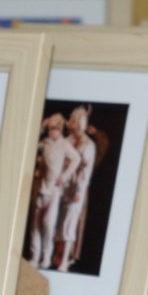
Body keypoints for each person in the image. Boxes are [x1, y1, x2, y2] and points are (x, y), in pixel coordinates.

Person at [28, 112, 81, 270]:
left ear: (60, 129)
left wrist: (64, 176)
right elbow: (30, 145)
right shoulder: (45, 142)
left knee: (48, 224)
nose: (52, 132)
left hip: (54, 190)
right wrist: (41, 128)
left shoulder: (64, 144)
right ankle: (35, 256)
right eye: (50, 129)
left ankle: (46, 257)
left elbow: (76, 158)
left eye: (54, 129)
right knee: (35, 225)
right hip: (41, 188)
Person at [56, 105, 96, 272]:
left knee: (70, 224)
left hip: (76, 190)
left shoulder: (89, 145)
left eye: (74, 121)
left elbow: (86, 172)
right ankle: (56, 257)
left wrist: (79, 191)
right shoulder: (67, 141)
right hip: (63, 188)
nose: (70, 123)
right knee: (58, 223)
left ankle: (65, 260)